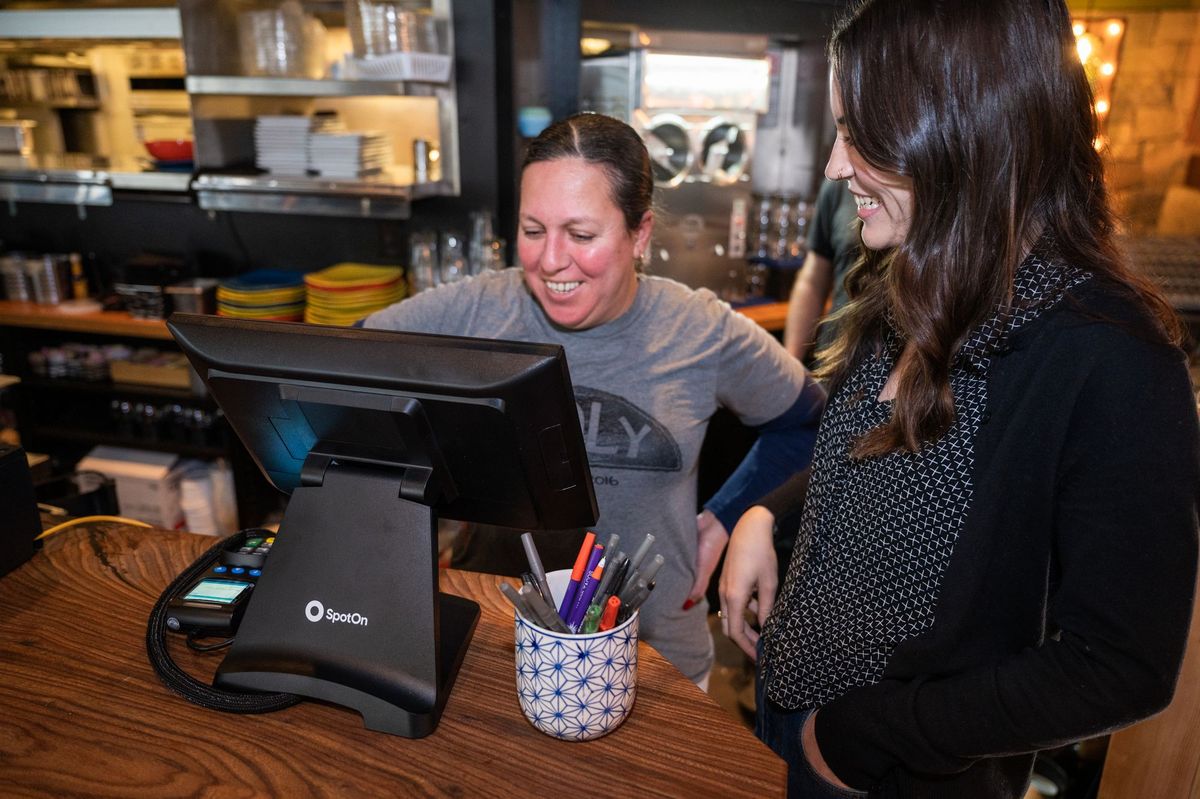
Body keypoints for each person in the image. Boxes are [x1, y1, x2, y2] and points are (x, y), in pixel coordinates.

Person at [718, 1, 1200, 796]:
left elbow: (1118, 667)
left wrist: (865, 736)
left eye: (860, 135)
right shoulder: (910, 275)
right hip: (788, 718)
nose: (836, 167)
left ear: (963, 130)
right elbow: (879, 457)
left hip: (887, 771)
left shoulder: (1112, 354)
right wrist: (770, 514)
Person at [364, 112, 826, 688]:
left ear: (641, 234)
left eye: (581, 235)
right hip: (488, 651)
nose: (552, 259)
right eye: (533, 231)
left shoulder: (700, 330)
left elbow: (810, 424)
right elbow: (336, 370)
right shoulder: (477, 310)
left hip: (654, 660)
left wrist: (732, 515)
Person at [784, 178, 859, 364]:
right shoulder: (840, 183)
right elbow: (812, 280)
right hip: (835, 357)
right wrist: (790, 365)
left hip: (906, 375)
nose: (833, 168)